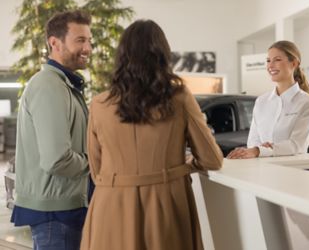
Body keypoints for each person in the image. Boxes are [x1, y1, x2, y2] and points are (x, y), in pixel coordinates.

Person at [80, 19, 223, 250]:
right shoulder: (179, 97)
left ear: (122, 56)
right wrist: (185, 165)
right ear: (163, 54)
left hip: (111, 205)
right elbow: (212, 160)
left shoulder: (99, 104)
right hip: (165, 202)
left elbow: (96, 171)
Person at [11, 10, 92, 250]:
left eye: (89, 41)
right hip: (56, 214)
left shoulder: (63, 85)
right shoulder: (49, 87)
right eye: (80, 40)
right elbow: (57, 160)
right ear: (54, 43)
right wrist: (96, 161)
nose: (88, 48)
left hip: (61, 209)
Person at [227, 40, 309, 159]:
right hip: (262, 170)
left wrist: (260, 150)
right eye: (268, 61)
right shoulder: (261, 101)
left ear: (294, 64)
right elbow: (253, 141)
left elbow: (297, 145)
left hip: (293, 172)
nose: (270, 66)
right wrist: (257, 150)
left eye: (277, 60)